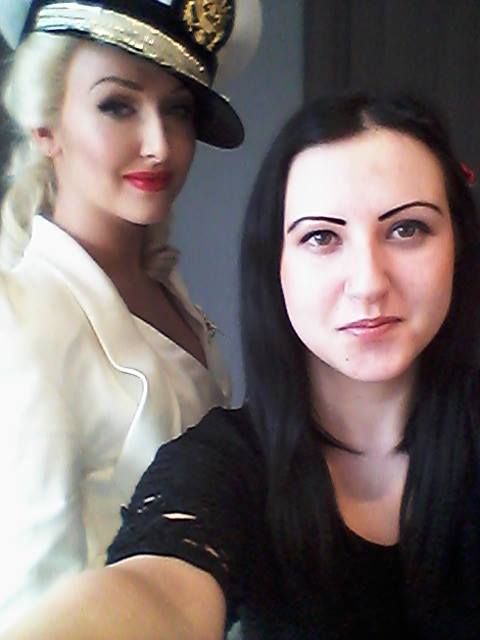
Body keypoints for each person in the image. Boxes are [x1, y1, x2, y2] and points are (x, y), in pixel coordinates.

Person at [4, 92, 480, 639]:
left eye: (406, 229)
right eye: (321, 237)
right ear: (275, 265)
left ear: (458, 245)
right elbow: (158, 589)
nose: (369, 282)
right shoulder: (221, 465)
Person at [0, 0, 261, 631]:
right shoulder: (22, 323)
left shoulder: (163, 287)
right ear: (45, 124)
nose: (159, 144)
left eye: (178, 110)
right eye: (118, 105)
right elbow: (30, 598)